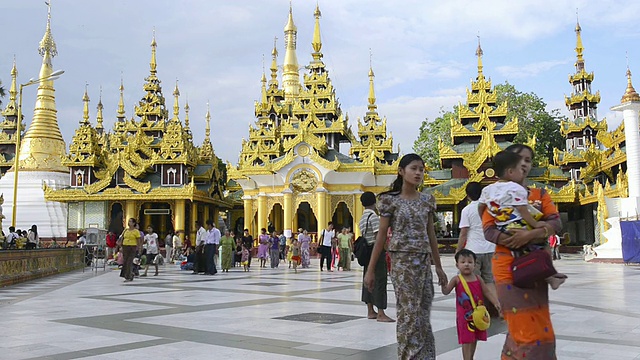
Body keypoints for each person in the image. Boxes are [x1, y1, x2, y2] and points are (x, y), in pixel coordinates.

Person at [481, 144, 563, 359]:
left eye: (528, 160)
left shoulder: (539, 194)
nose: (524, 164)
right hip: (507, 268)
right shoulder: (495, 197)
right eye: (520, 159)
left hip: (535, 268)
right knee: (523, 330)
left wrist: (530, 235)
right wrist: (515, 239)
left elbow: (555, 223)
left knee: (540, 328)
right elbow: (489, 231)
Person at [364, 153, 447, 359]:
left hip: (423, 262)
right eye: (414, 168)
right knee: (409, 313)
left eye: (421, 169)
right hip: (402, 263)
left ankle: (425, 356)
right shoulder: (389, 201)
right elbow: (381, 236)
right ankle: (407, 356)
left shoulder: (427, 200)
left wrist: (438, 266)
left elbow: (431, 234)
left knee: (423, 312)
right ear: (401, 171)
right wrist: (371, 270)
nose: (418, 173)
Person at [479, 150, 566, 290]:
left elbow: (480, 207)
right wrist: (536, 226)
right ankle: (550, 276)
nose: (523, 170)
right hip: (518, 225)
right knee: (541, 246)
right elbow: (523, 211)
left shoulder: (487, 190)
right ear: (510, 172)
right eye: (520, 168)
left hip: (503, 226)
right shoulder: (515, 188)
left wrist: (487, 216)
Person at [441, 249, 501, 360]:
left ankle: (471, 357)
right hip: (464, 316)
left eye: (470, 262)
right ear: (457, 265)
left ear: (475, 264)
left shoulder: (478, 278)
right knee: (466, 338)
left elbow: (487, 291)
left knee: (474, 337)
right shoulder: (457, 280)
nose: (466, 264)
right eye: (463, 262)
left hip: (478, 314)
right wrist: (443, 284)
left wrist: (496, 302)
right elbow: (446, 291)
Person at [457, 182, 498, 314]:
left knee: (474, 282)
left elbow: (463, 233)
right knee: (489, 281)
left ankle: (477, 309)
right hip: (491, 248)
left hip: (473, 251)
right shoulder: (490, 208)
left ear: (468, 195)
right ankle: (497, 306)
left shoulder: (467, 210)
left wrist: (458, 251)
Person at [359, 191, 394, 323]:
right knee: (380, 280)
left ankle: (370, 310)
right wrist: (387, 250)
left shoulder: (362, 218)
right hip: (376, 251)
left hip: (367, 253)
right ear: (374, 202)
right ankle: (380, 312)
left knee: (368, 280)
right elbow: (378, 237)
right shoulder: (373, 217)